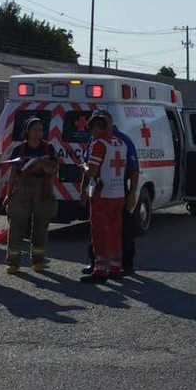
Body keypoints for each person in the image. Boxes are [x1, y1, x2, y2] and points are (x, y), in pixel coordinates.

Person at [80, 112, 140, 283]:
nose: (91, 134)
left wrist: (83, 167)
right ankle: (115, 267)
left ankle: (100, 270)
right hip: (118, 193)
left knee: (99, 233)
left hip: (102, 194)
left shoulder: (99, 144)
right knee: (115, 232)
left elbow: (91, 171)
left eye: (92, 129)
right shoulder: (120, 143)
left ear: (98, 128)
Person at [4, 118, 59, 274]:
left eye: (41, 130)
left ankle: (38, 260)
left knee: (41, 226)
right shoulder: (19, 150)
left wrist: (43, 166)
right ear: (27, 131)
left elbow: (54, 169)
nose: (39, 133)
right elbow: (13, 173)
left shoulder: (48, 149)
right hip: (22, 188)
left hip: (43, 188)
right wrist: (9, 194)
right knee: (16, 225)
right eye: (35, 129)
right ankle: (13, 262)